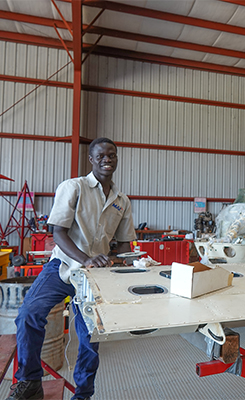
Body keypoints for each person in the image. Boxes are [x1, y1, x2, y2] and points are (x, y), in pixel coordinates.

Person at [9, 138, 136, 400]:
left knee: (90, 340)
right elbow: (59, 232)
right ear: (91, 159)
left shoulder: (121, 202)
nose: (107, 160)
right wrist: (86, 258)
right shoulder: (74, 187)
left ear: (117, 159)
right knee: (28, 316)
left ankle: (83, 395)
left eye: (111, 155)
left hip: (95, 277)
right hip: (64, 266)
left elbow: (124, 245)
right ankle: (30, 380)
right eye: (101, 156)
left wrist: (129, 263)